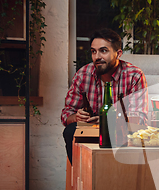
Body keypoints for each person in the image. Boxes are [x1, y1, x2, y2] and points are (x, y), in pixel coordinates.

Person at [61, 28, 147, 163]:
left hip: (121, 135)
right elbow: (66, 115)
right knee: (69, 131)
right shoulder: (83, 74)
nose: (97, 57)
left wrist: (109, 121)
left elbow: (140, 118)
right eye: (93, 51)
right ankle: (81, 178)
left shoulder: (134, 75)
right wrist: (76, 117)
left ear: (118, 54)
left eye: (103, 51)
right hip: (90, 133)